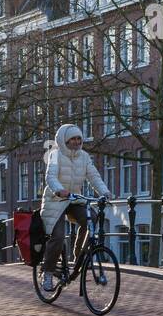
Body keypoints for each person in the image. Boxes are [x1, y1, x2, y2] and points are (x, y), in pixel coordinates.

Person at [39, 123, 112, 293]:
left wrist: (105, 192)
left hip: (74, 200)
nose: (77, 141)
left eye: (79, 138)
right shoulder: (55, 155)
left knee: (92, 219)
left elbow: (93, 176)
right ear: (65, 140)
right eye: (73, 138)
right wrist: (59, 189)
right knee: (57, 236)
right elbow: (50, 176)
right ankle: (47, 272)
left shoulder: (84, 157)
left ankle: (79, 256)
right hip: (55, 200)